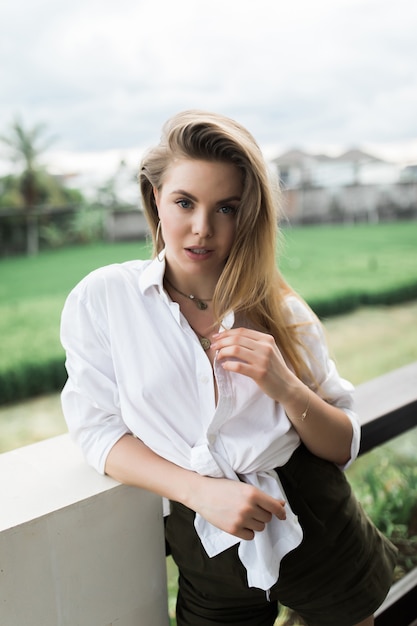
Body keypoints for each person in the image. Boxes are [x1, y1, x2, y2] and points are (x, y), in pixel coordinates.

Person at [60, 110, 397, 626]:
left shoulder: (281, 312)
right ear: (156, 199)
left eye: (226, 207)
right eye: (184, 202)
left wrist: (284, 385)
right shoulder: (105, 299)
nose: (202, 228)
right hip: (205, 535)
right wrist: (199, 492)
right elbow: (98, 431)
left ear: (249, 215)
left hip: (317, 521)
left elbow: (341, 446)